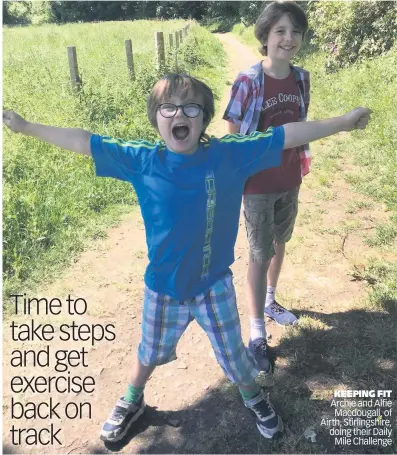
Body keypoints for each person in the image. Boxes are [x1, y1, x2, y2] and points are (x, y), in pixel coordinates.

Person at [3, 73, 370, 442]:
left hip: (214, 286)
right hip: (163, 288)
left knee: (234, 356)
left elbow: (286, 135)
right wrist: (25, 127)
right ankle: (132, 400)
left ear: (204, 117)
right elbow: (85, 141)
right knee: (149, 351)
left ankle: (253, 395)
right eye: (169, 107)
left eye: (191, 107)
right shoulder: (142, 160)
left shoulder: (230, 155)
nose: (180, 114)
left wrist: (341, 123)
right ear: (157, 118)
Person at [223, 1, 311, 374]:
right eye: (280, 31)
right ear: (265, 36)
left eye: (295, 32)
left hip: (289, 179)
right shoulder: (249, 80)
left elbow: (300, 124)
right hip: (257, 186)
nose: (288, 39)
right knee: (259, 255)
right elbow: (232, 131)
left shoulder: (302, 78)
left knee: (279, 243)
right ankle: (256, 329)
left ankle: (272, 301)